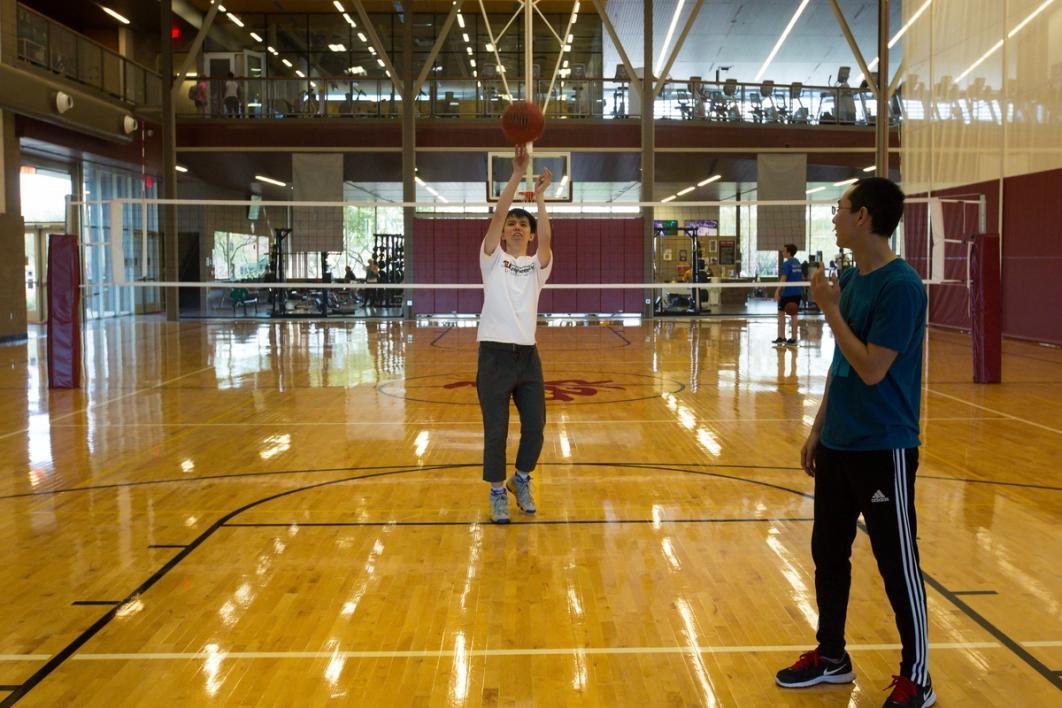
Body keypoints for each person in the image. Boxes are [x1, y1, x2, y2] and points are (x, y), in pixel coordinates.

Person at [775, 177, 933, 708]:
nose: (836, 218)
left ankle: (919, 677)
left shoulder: (901, 287)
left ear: (863, 216)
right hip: (840, 444)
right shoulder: (852, 278)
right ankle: (832, 656)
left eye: (840, 209)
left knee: (896, 561)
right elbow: (842, 364)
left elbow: (871, 368)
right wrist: (820, 426)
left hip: (882, 446)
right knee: (828, 553)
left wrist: (829, 310)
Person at [477, 144, 553, 524]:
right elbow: (499, 214)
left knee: (536, 428)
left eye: (524, 224)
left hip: (528, 357)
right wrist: (516, 176)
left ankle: (520, 479)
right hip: (493, 355)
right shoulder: (492, 259)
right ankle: (496, 493)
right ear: (504, 233)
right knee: (496, 432)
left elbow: (548, 242)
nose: (517, 227)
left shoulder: (537, 268)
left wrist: (539, 199)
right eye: (513, 223)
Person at [773, 243, 802, 346]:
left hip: (788, 293)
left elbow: (783, 279)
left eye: (784, 250)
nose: (782, 252)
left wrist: (777, 290)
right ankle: (794, 339)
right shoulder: (798, 262)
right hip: (798, 293)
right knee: (794, 315)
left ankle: (782, 337)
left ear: (788, 252)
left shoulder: (787, 264)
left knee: (781, 314)